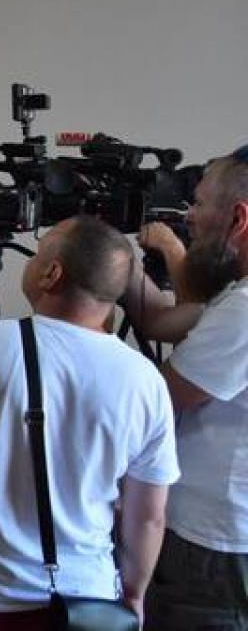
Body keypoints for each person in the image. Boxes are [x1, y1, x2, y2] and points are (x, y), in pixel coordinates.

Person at [0, 216, 179, 630]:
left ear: (51, 273)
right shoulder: (145, 380)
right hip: (84, 602)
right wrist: (133, 594)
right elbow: (148, 515)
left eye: (39, 252)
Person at [122, 145, 248, 630]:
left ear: (238, 219)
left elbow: (155, 402)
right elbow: (164, 321)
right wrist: (118, 263)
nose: (188, 216)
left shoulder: (242, 311)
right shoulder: (235, 297)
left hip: (210, 544)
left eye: (198, 203)